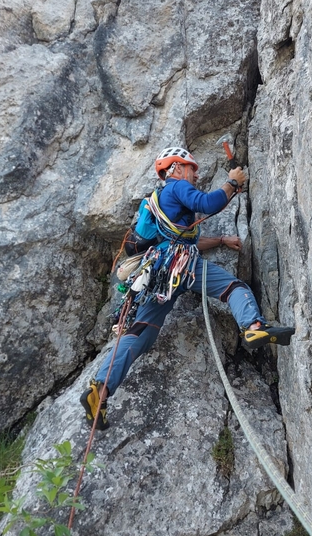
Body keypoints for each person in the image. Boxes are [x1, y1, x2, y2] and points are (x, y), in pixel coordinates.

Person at [81, 147, 295, 430]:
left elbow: (187, 237)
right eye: (192, 168)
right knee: (233, 288)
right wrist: (231, 181)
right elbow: (207, 203)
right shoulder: (178, 186)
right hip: (181, 266)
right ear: (177, 168)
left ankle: (101, 391)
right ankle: (253, 325)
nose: (196, 174)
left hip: (160, 272)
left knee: (140, 331)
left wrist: (220, 240)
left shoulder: (159, 201)